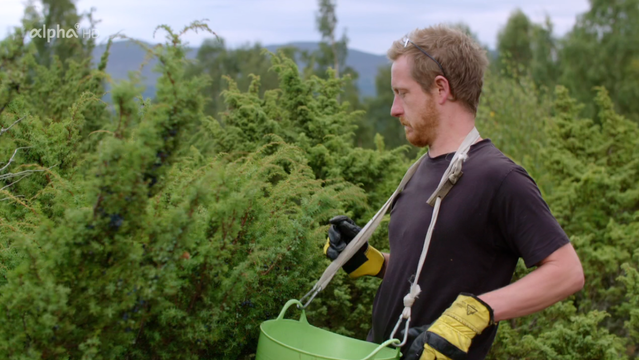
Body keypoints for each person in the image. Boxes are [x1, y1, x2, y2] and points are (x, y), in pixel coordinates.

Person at [324, 25, 585, 360]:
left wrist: (474, 313)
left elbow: (567, 271)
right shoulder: (419, 170)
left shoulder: (500, 177)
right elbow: (436, 270)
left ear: (441, 89)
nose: (394, 109)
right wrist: (375, 263)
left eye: (402, 93)